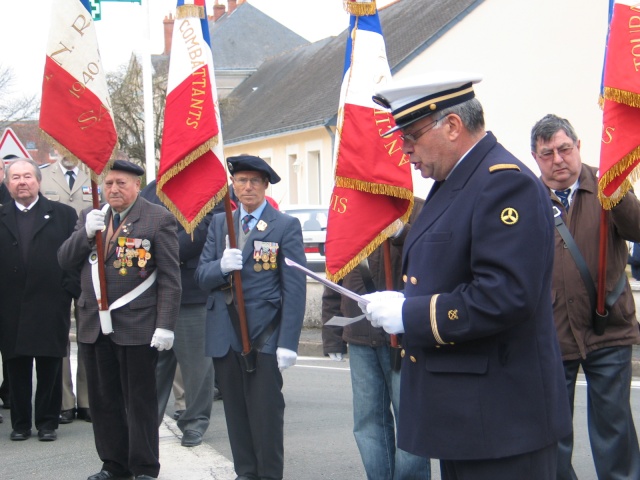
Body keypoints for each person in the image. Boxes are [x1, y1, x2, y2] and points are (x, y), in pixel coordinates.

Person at [361, 73, 572, 480]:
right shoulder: (456, 181)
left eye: (411, 136)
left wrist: (412, 316)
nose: (405, 151)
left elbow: (505, 295)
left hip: (503, 420)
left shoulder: (502, 183)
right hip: (467, 417)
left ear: (452, 126)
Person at [530, 114, 640, 480]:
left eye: (564, 149)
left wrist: (620, 191)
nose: (558, 159)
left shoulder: (608, 184)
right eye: (548, 154)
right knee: (553, 435)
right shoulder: (525, 198)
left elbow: (637, 229)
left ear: (578, 147)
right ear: (535, 157)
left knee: (614, 432)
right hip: (552, 332)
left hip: (608, 328)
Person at [58, 160, 181, 480]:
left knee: (139, 402)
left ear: (137, 186)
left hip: (137, 325)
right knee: (103, 401)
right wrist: (85, 234)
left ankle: (143, 467)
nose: (113, 189)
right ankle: (114, 464)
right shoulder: (90, 216)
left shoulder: (157, 218)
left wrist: (165, 324)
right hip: (94, 325)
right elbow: (64, 260)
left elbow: (169, 277)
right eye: (109, 183)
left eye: (121, 184)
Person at [195, 154, 306, 480]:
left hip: (264, 336)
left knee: (266, 416)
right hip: (225, 335)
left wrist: (288, 342)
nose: (246, 187)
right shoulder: (220, 223)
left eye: (253, 181)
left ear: (265, 185)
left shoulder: (284, 225)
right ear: (233, 185)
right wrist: (221, 267)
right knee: (236, 415)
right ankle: (245, 474)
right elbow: (201, 276)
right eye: (240, 181)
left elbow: (295, 288)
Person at [322, 198, 431, 480]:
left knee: (411, 423)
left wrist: (402, 233)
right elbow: (335, 276)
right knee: (368, 423)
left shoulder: (419, 209)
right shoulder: (347, 213)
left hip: (406, 336)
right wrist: (333, 336)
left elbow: (433, 258)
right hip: (359, 335)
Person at [0, 158, 79, 442]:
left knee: (49, 366)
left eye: (27, 177)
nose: (22, 182)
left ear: (38, 181)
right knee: (16, 366)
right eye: (16, 177)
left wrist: (68, 291)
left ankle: (47, 423)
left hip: (50, 301)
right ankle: (20, 424)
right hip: (10, 305)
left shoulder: (64, 214)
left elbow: (76, 258)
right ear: (7, 184)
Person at [140, 179, 215, 448]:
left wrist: (164, 251)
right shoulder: (151, 190)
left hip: (191, 292)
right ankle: (148, 421)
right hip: (154, 292)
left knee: (196, 368)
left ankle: (194, 422)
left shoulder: (210, 186)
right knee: (153, 367)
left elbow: (210, 230)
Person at [40, 155, 96, 424]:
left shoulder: (93, 176)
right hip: (54, 264)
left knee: (87, 332)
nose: (70, 153)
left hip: (86, 265)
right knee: (58, 334)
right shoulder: (43, 177)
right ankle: (64, 401)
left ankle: (86, 400)